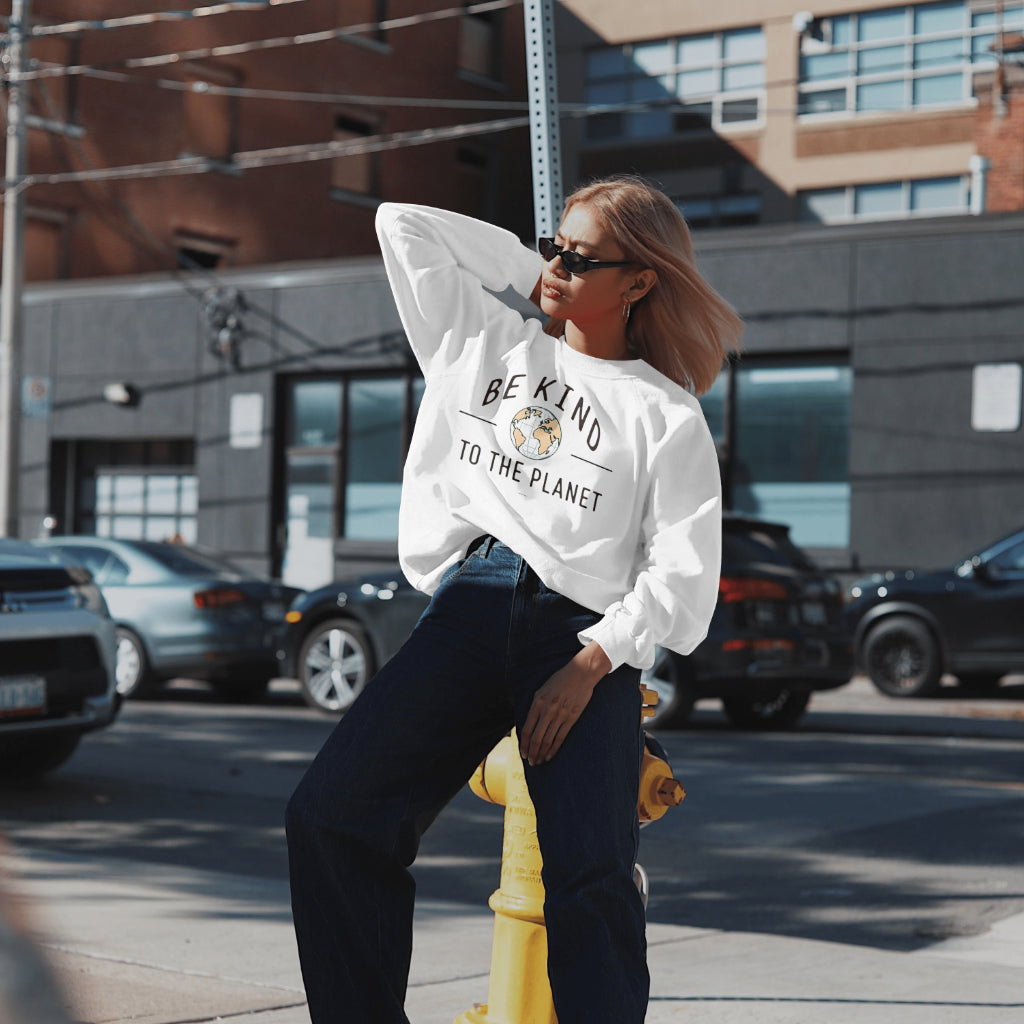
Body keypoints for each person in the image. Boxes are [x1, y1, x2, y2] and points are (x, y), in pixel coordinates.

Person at [285, 175, 742, 1024]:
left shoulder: (667, 416)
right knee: (331, 818)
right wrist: (532, 267)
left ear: (639, 282)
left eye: (582, 256)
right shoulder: (484, 342)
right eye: (554, 246)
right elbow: (402, 224)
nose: (560, 265)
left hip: (581, 638)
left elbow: (681, 581)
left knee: (591, 884)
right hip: (470, 604)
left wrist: (592, 663)